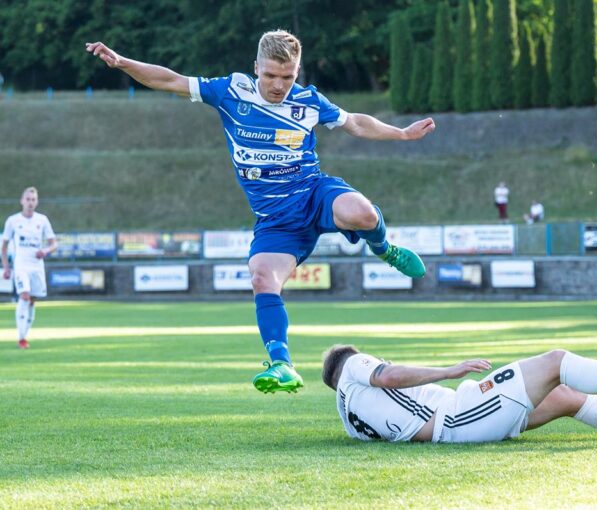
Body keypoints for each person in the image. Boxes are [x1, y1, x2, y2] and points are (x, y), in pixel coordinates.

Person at [86, 31, 435, 394]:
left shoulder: (308, 101)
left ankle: (385, 250)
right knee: (262, 279)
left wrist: (402, 134)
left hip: (313, 193)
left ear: (297, 72)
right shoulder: (230, 91)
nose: (279, 85)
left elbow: (356, 123)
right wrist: (123, 63)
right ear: (256, 68)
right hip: (276, 221)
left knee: (363, 213)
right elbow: (170, 80)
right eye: (270, 75)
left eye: (287, 77)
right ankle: (282, 363)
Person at [322, 340, 597, 443]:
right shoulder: (352, 366)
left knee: (563, 396)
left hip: (461, 417)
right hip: (458, 416)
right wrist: (450, 370)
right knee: (555, 362)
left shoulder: (348, 417)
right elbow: (388, 376)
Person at [2, 187, 58, 349]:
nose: (30, 202)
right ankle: (21, 338)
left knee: (32, 300)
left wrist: (45, 251)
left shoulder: (42, 220)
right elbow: (4, 246)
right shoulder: (13, 221)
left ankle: (24, 335)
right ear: (22, 201)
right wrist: (6, 267)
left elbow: (54, 243)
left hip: (37, 266)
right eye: (28, 199)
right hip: (21, 265)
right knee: (24, 296)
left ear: (37, 202)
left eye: (33, 199)